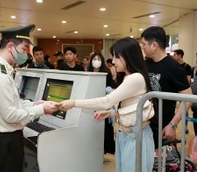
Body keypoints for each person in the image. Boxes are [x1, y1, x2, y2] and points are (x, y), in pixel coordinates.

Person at [59, 37, 155, 172]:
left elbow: (107, 101)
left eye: (116, 56)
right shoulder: (128, 77)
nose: (113, 61)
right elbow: (133, 106)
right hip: (127, 134)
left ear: (128, 56)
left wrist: (74, 103)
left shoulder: (135, 78)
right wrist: (111, 113)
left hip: (135, 136)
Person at [0, 24, 59, 172]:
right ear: (11, 46)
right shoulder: (0, 74)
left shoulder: (0, 68)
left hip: (5, 139)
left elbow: (13, 102)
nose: (26, 53)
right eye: (24, 48)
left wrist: (34, 104)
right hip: (7, 141)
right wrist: (41, 109)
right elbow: (11, 115)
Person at [141, 26, 192, 148]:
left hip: (162, 125)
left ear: (154, 45)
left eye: (144, 44)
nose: (142, 47)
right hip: (144, 121)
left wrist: (173, 125)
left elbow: (188, 98)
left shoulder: (173, 67)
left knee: (158, 163)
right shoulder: (145, 64)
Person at [88, 52, 116, 156]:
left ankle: (104, 151)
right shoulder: (88, 72)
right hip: (91, 104)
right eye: (94, 59)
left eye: (98, 59)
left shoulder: (106, 72)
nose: (96, 61)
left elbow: (111, 88)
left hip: (104, 103)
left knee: (105, 129)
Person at [173, 49, 192, 134]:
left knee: (184, 109)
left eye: (175, 54)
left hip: (182, 91)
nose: (173, 56)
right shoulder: (173, 66)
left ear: (180, 55)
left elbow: (188, 81)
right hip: (174, 91)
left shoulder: (187, 67)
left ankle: (184, 127)